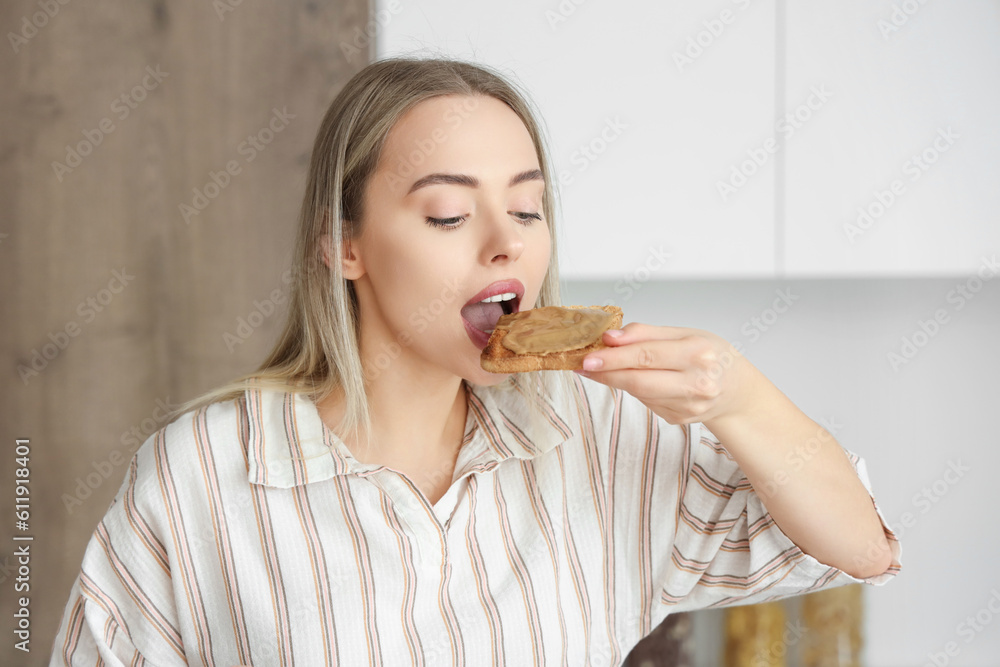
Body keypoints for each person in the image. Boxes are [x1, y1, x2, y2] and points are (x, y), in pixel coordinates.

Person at [50, 57, 900, 666]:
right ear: (344, 246)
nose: (506, 244)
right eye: (450, 215)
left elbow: (857, 546)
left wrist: (737, 395)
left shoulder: (595, 439)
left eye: (527, 208)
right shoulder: (202, 472)